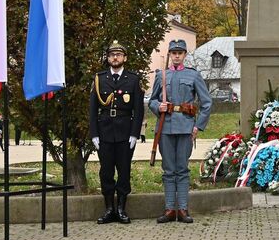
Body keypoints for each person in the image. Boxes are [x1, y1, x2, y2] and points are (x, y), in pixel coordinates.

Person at [149, 39, 212, 224]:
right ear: (169, 54)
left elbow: (207, 102)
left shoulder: (193, 75)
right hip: (165, 128)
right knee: (169, 170)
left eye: (180, 53)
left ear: (184, 55)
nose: (176, 56)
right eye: (173, 53)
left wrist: (198, 126)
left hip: (185, 127)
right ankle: (170, 209)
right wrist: (158, 106)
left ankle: (183, 209)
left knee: (182, 169)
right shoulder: (161, 76)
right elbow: (152, 100)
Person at [89, 40, 145, 225]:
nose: (115, 57)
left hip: (125, 132)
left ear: (124, 58)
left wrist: (135, 133)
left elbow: (138, 110)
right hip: (104, 132)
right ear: (108, 58)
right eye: (112, 55)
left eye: (118, 55)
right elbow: (92, 109)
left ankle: (121, 209)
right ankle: (108, 209)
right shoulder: (99, 79)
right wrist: (94, 134)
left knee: (124, 171)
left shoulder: (133, 79)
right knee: (105, 172)